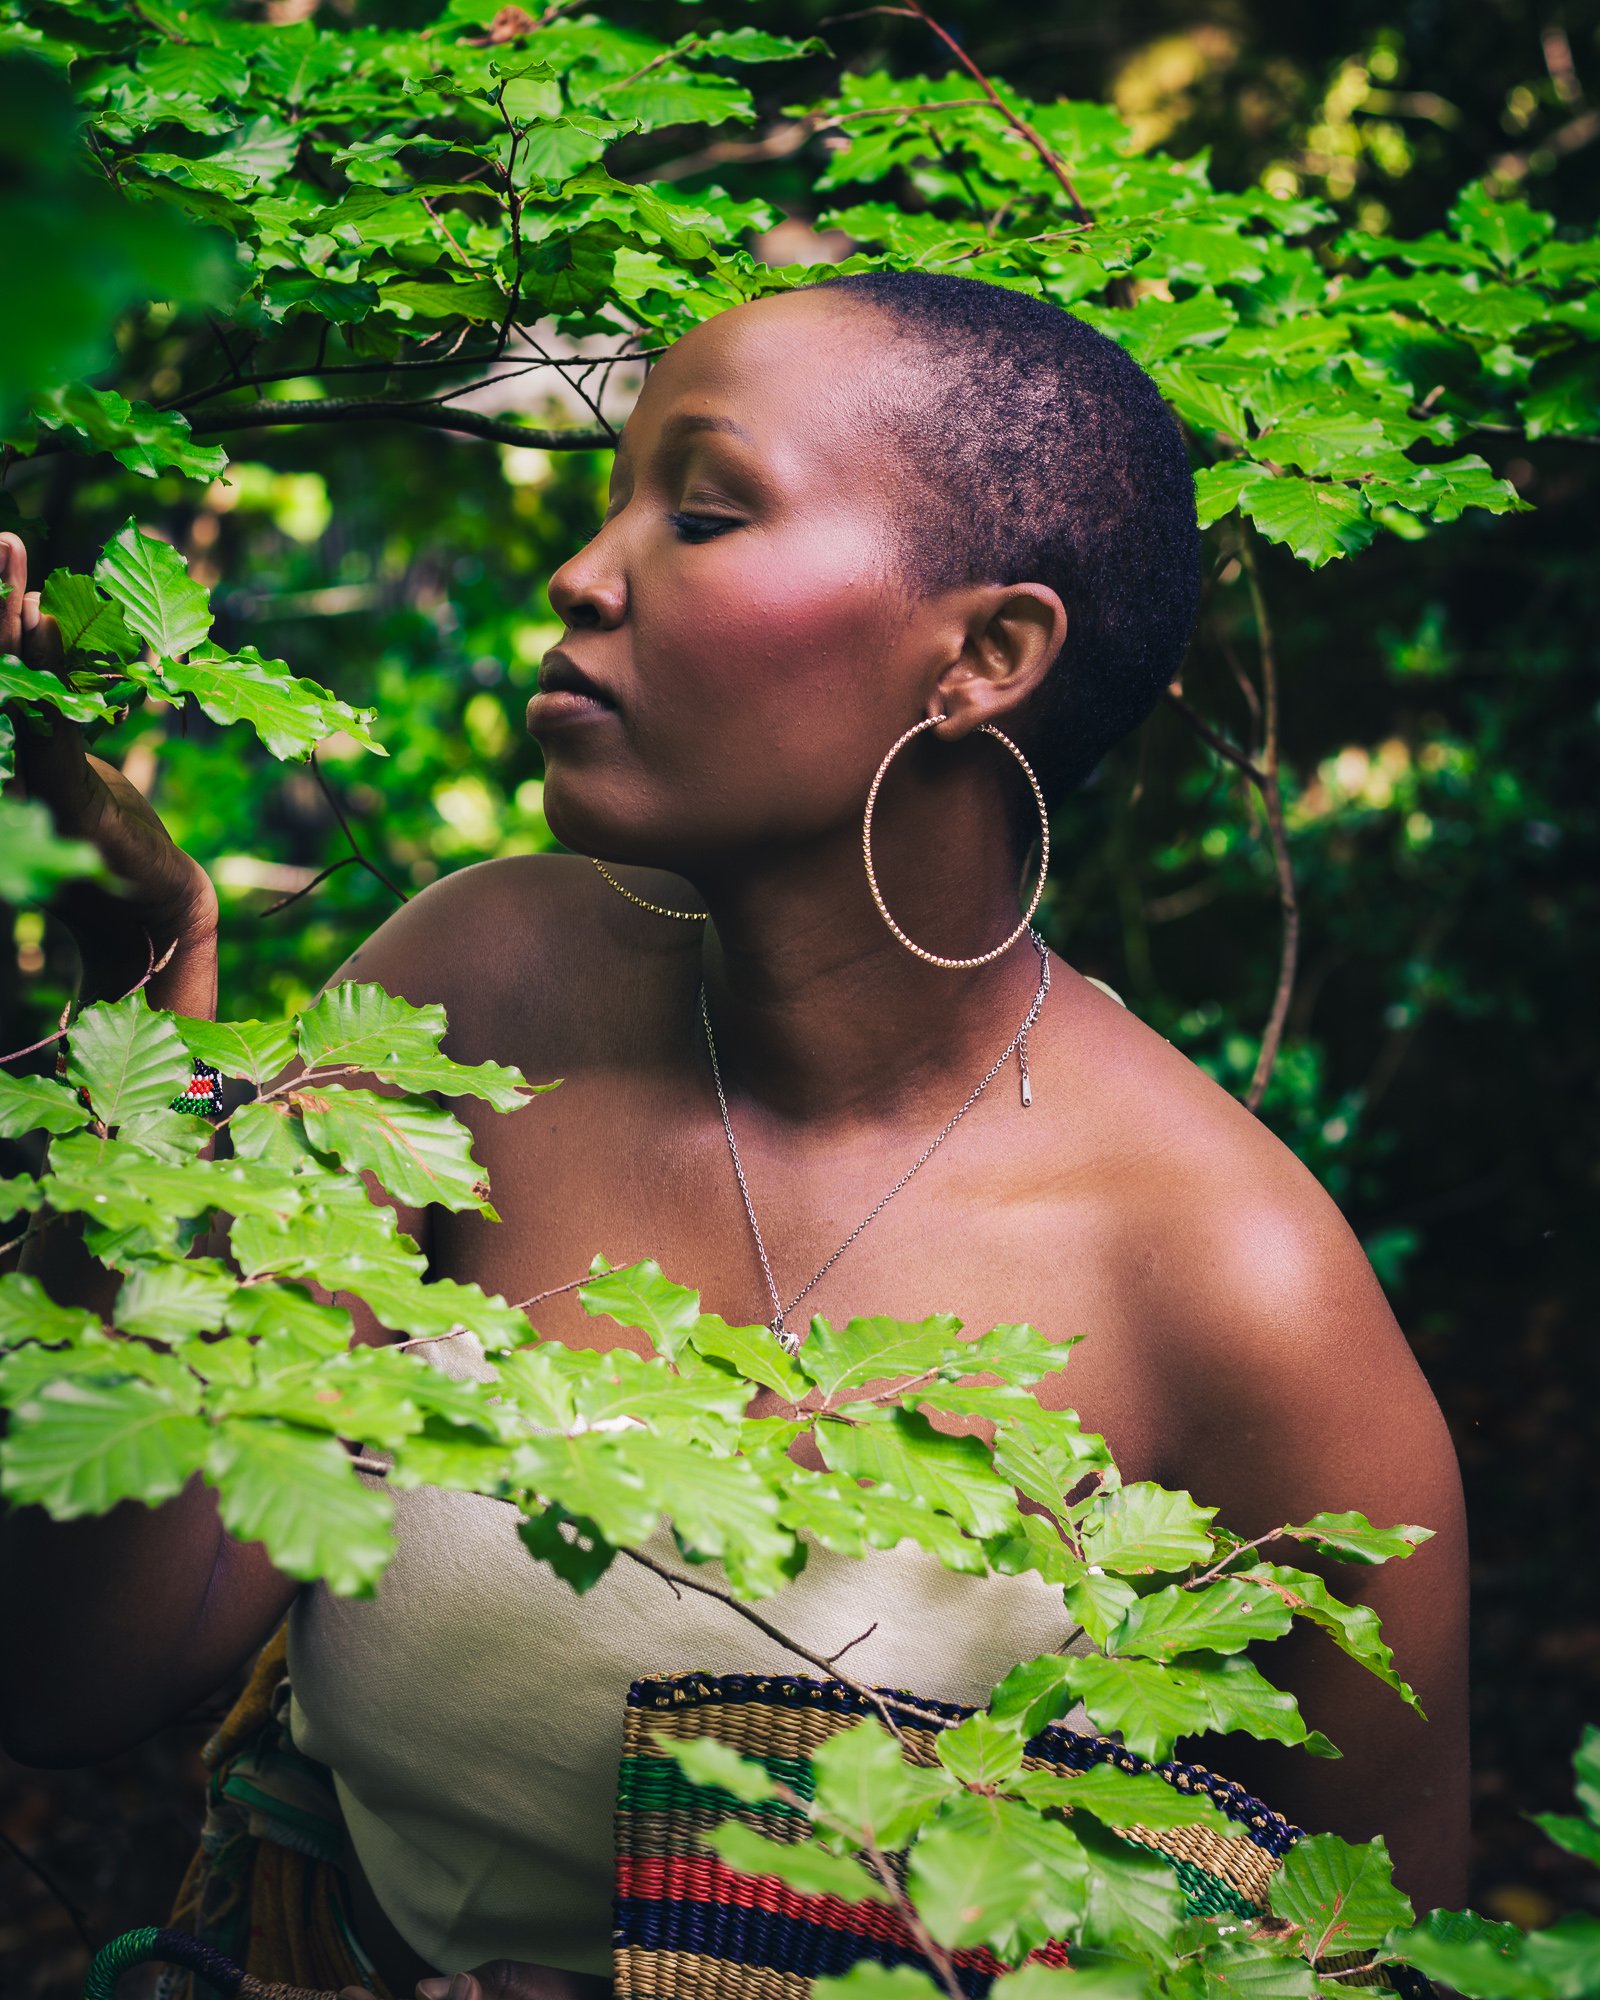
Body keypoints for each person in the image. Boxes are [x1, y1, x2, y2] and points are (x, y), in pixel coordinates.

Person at [0, 271, 1468, 2000]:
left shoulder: (1233, 1292)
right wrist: (140, 993)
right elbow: (73, 1670)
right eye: (616, 498)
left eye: (701, 510)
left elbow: (1376, 1963)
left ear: (985, 657)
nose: (583, 572)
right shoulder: (485, 990)